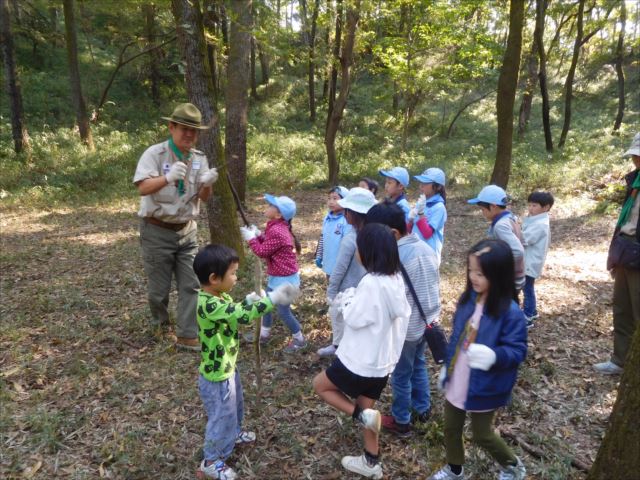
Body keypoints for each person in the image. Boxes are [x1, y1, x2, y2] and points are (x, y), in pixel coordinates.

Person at [313, 223, 411, 480]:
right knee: (368, 405)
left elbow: (355, 318)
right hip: (382, 363)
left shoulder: (371, 283)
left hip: (359, 361)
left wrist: (347, 299)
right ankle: (371, 460)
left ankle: (361, 416)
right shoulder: (396, 278)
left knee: (321, 386)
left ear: (367, 253)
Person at [193, 244, 300, 480]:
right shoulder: (207, 302)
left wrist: (250, 301)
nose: (236, 277)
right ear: (213, 278)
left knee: (236, 406)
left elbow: (234, 309)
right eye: (232, 273)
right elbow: (239, 315)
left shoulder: (218, 295)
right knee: (222, 415)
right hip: (217, 375)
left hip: (228, 367)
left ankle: (233, 434)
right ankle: (211, 460)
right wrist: (272, 299)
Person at [428, 239, 527, 480]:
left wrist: (494, 356)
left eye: (480, 273)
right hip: (459, 377)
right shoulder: (468, 300)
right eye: (471, 270)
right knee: (451, 427)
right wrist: (447, 368)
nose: (473, 277)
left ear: (498, 275)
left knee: (482, 434)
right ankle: (454, 469)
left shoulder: (510, 312)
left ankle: (513, 465)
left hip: (485, 384)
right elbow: (456, 338)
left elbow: (517, 351)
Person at [133, 103, 220, 350]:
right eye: (184, 129)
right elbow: (142, 187)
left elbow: (204, 197)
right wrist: (167, 178)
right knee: (158, 291)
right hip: (156, 230)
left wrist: (207, 183)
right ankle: (161, 326)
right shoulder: (155, 155)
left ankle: (187, 335)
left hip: (187, 230)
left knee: (191, 284)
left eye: (194, 131)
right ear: (171, 127)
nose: (189, 135)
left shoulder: (199, 158)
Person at [365, 201, 440, 437]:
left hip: (406, 329)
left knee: (400, 375)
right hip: (428, 321)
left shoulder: (396, 257)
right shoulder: (425, 248)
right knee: (418, 365)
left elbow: (393, 298)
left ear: (393, 234)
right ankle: (423, 408)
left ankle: (401, 420)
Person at [594, 132, 640, 375]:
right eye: (634, 156)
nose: (636, 160)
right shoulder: (634, 182)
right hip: (625, 249)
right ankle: (620, 360)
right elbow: (625, 220)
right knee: (622, 308)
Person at [240, 194, 307, 353]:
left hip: (286, 281)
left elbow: (262, 252)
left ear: (278, 214)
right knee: (266, 306)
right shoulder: (276, 225)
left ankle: (300, 339)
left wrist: (251, 239)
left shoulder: (278, 230)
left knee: (283, 312)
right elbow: (270, 244)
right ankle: (264, 334)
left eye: (271, 205)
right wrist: (258, 235)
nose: (267, 206)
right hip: (277, 276)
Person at [317, 187, 378, 357]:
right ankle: (347, 348)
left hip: (346, 290)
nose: (344, 213)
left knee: (339, 318)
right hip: (367, 289)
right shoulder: (375, 234)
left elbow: (340, 268)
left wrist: (331, 290)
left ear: (354, 214)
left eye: (347, 210)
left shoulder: (351, 239)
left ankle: (340, 349)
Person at [468, 185, 525, 302]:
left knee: (500, 309)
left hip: (508, 279)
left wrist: (495, 264)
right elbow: (522, 242)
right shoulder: (511, 217)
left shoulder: (500, 226)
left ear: (493, 206)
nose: (482, 212)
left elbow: (518, 251)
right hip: (516, 276)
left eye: (483, 209)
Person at [522, 191, 554, 328]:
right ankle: (533, 311)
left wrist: (513, 232)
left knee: (527, 288)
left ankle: (528, 316)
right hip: (529, 259)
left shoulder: (541, 224)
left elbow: (525, 239)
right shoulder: (536, 219)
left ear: (546, 207)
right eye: (529, 205)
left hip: (530, 261)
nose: (530, 208)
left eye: (534, 206)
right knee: (528, 286)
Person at [409, 167, 448, 264]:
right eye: (421, 183)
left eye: (425, 183)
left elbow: (427, 234)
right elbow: (409, 230)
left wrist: (421, 214)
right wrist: (410, 220)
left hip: (429, 256)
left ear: (438, 187)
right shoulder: (422, 202)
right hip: (415, 252)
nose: (421, 186)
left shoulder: (439, 208)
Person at [315, 186, 351, 277]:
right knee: (329, 282)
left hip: (341, 264)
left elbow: (347, 244)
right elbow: (322, 237)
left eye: (335, 198)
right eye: (329, 198)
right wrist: (319, 255)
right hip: (328, 260)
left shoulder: (346, 220)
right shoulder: (327, 218)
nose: (331, 202)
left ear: (345, 201)